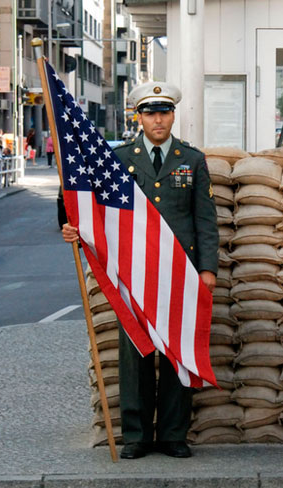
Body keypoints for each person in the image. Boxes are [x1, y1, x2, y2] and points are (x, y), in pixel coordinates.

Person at [61, 81, 218, 460]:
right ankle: (136, 436)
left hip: (180, 271)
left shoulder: (191, 159)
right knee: (136, 356)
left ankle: (173, 434)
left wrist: (208, 269)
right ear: (139, 117)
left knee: (179, 353)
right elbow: (96, 207)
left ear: (173, 115)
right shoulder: (119, 159)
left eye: (164, 111)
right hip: (135, 271)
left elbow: (205, 219)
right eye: (150, 112)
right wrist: (75, 229)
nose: (158, 119)